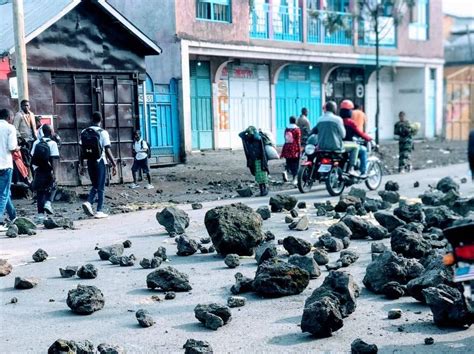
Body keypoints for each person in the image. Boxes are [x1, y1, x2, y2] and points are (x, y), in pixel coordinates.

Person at [79, 112, 117, 218]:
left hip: (90, 161)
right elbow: (107, 150)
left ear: (91, 119)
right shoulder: (103, 132)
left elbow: (81, 151)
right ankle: (99, 210)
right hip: (100, 161)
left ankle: (89, 202)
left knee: (95, 184)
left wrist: (81, 165)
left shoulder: (84, 132)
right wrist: (114, 164)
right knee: (101, 186)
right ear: (101, 120)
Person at [30, 124, 59, 223]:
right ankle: (48, 202)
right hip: (48, 169)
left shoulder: (36, 142)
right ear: (50, 132)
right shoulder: (53, 143)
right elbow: (54, 159)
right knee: (53, 186)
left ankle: (40, 214)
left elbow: (32, 156)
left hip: (38, 170)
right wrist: (55, 174)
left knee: (40, 192)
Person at [339, 100, 373, 177]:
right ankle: (362, 171)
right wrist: (369, 138)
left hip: (338, 145)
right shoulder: (350, 122)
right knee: (363, 150)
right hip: (348, 145)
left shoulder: (338, 121)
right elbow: (360, 133)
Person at [0, 108, 18, 231]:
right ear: (9, 117)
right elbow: (12, 147)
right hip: (5, 164)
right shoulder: (10, 128)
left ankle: (14, 217)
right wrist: (18, 148)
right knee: (3, 194)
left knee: (4, 193)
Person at [239, 126, 269, 196]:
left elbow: (262, 151)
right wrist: (246, 131)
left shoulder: (258, 139)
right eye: (248, 134)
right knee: (258, 177)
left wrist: (255, 132)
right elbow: (240, 134)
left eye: (250, 134)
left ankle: (264, 189)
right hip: (254, 160)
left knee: (262, 176)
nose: (248, 135)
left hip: (260, 160)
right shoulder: (247, 139)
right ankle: (262, 189)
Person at [281, 116, 301, 185]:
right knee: (295, 163)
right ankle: (294, 179)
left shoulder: (287, 129)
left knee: (288, 161)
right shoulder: (297, 129)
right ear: (295, 121)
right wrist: (299, 149)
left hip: (286, 146)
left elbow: (285, 137)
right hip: (294, 148)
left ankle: (286, 171)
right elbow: (298, 140)